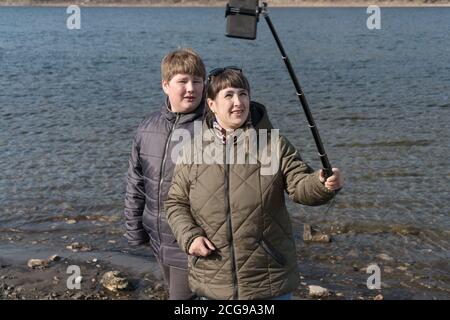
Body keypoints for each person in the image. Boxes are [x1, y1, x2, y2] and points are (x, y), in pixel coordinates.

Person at [165, 68, 343, 300]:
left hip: (268, 278)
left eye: (243, 94)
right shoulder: (192, 150)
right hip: (212, 279)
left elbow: (300, 186)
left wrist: (322, 183)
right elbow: (175, 203)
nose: (238, 102)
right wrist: (190, 238)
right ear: (211, 104)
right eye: (228, 95)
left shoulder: (273, 144)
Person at [124, 48, 206, 300]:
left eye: (197, 81)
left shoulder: (213, 127)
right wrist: (135, 229)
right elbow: (135, 183)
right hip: (157, 237)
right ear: (165, 85)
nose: (191, 88)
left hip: (191, 240)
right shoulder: (148, 127)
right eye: (182, 81)